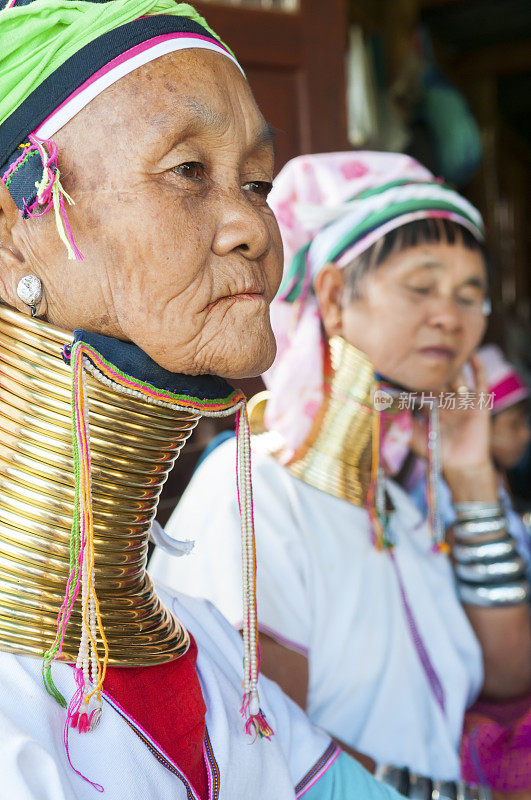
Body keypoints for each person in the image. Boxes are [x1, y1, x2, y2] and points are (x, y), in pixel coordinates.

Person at [0, 5, 405, 798]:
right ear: (15, 233)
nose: (252, 224)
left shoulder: (215, 655)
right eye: (188, 171)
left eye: (257, 183)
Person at [151, 151, 531, 795]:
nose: (452, 316)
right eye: (422, 285)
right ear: (331, 296)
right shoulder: (254, 492)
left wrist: (469, 478)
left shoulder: (404, 505)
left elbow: (508, 671)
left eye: (471, 296)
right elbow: (259, 748)